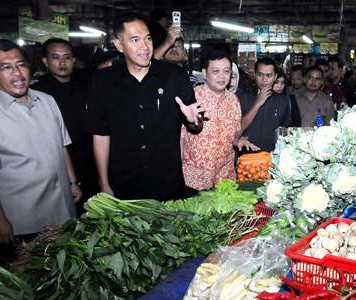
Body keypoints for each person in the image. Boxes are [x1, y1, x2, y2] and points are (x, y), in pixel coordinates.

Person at [0, 39, 81, 261]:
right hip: (23, 221)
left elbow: (62, 146)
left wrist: (73, 182)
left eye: (21, 65)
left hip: (62, 211)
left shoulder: (47, 101)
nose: (17, 73)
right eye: (6, 67)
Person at [85, 12, 204, 202]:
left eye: (147, 38)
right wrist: (103, 183)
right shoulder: (103, 81)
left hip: (167, 183)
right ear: (119, 45)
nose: (144, 46)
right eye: (135, 40)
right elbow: (100, 135)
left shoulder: (175, 77)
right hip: (123, 183)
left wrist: (193, 121)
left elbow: (196, 128)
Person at [31, 38, 97, 213]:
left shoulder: (86, 87)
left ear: (73, 61)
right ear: (45, 61)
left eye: (67, 57)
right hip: (59, 166)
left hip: (91, 163)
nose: (62, 62)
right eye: (55, 57)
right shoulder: (37, 93)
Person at [181, 50, 258, 195]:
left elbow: (235, 134)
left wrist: (240, 139)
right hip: (194, 179)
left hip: (225, 178)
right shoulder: (191, 98)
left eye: (226, 71)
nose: (222, 76)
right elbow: (180, 138)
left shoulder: (234, 101)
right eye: (215, 71)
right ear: (204, 73)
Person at [237, 58, 291, 152]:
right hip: (247, 155)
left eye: (269, 75)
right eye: (260, 75)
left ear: (275, 77)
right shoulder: (242, 97)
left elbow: (284, 131)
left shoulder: (282, 101)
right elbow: (239, 128)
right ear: (254, 74)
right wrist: (257, 104)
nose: (264, 79)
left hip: (272, 156)